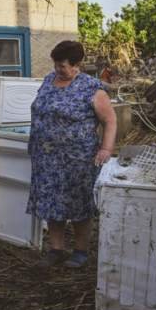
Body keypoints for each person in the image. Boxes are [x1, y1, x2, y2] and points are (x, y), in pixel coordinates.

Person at [26, 40, 117, 268]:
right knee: (51, 202)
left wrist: (106, 149)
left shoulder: (92, 88)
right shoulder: (49, 80)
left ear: (77, 64)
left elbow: (110, 120)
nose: (58, 69)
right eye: (56, 65)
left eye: (63, 66)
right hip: (45, 157)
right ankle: (56, 249)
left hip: (78, 159)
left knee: (78, 205)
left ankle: (80, 251)